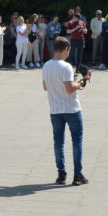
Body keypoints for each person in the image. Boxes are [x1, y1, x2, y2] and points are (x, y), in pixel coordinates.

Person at [42, 37, 90, 186]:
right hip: (71, 109)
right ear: (66, 49)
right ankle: (77, 175)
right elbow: (69, 89)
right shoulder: (66, 66)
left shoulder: (46, 65)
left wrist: (71, 81)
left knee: (58, 142)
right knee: (77, 141)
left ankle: (61, 174)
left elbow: (45, 87)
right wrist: (83, 80)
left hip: (55, 109)